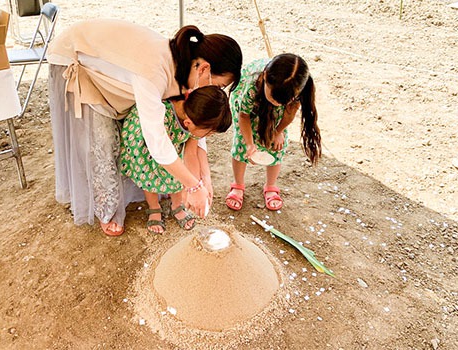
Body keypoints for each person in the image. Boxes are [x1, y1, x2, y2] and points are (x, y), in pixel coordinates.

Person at [47, 20, 242, 236]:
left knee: (111, 137)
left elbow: (196, 134)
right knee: (103, 142)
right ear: (205, 68)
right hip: (75, 55)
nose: (216, 92)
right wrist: (193, 186)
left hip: (111, 70)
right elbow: (157, 143)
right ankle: (107, 210)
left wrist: (204, 178)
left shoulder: (186, 69)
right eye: (218, 86)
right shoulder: (155, 70)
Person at [120, 86, 231, 234]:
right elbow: (160, 153)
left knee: (180, 174)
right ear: (188, 124)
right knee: (148, 175)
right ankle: (154, 207)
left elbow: (191, 154)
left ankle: (177, 205)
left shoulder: (197, 116)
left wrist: (197, 184)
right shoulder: (163, 116)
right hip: (144, 147)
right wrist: (193, 186)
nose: (209, 136)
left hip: (169, 146)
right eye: (209, 132)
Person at [225, 53, 321, 211]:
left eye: (281, 101)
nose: (276, 103)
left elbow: (289, 113)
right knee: (241, 146)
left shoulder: (295, 91)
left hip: (276, 114)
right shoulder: (251, 86)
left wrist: (278, 131)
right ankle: (238, 185)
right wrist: (249, 144)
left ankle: (270, 186)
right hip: (248, 110)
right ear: (264, 77)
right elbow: (244, 116)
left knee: (277, 146)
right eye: (274, 98)